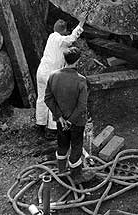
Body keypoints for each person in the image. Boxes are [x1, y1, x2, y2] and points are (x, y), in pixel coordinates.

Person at [45, 47, 95, 184]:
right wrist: (71, 121)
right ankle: (76, 175)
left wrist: (60, 117)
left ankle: (61, 170)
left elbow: (48, 99)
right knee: (77, 146)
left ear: (64, 59)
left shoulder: (53, 76)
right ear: (78, 61)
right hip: (76, 122)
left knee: (62, 144)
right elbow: (82, 106)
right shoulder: (81, 80)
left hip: (61, 121)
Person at [36, 16, 86, 138]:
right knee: (54, 100)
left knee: (41, 98)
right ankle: (52, 130)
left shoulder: (51, 37)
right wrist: (81, 23)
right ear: (63, 31)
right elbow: (72, 38)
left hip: (41, 71)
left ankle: (40, 123)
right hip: (51, 75)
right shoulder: (61, 40)